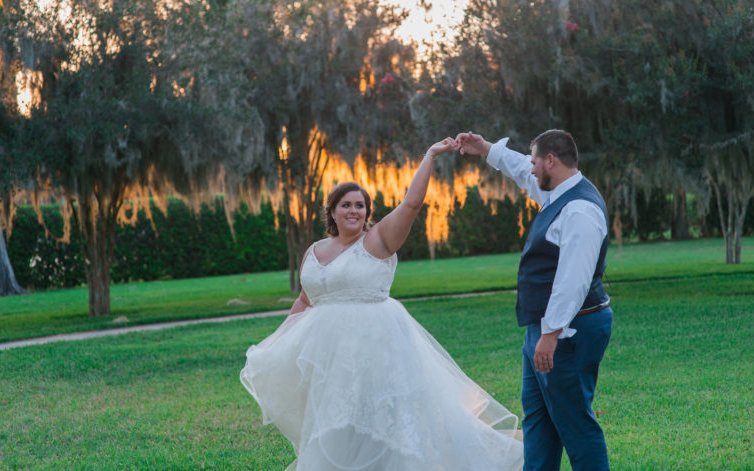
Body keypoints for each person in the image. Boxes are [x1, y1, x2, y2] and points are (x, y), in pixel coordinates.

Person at [240, 137, 523, 471]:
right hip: (330, 356)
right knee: (336, 421)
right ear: (332, 210)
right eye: (346, 204)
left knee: (384, 420)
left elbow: (412, 204)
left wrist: (430, 154)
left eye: (360, 205)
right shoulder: (314, 251)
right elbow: (305, 300)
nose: (354, 211)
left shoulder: (378, 241)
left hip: (378, 349)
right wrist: (278, 343)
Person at [456, 129, 613, 471]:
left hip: (570, 332)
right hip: (543, 332)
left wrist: (551, 333)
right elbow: (520, 171)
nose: (531, 168)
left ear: (551, 161)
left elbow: (573, 280)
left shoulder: (580, 211)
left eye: (535, 161)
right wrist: (485, 149)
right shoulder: (558, 193)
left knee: (574, 422)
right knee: (538, 422)